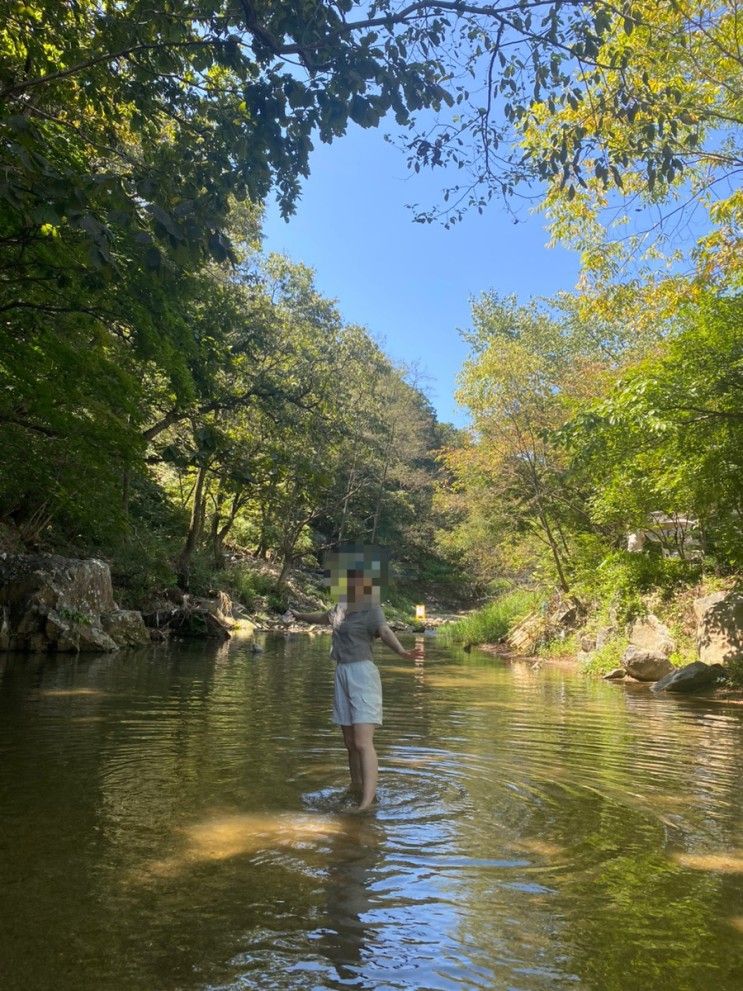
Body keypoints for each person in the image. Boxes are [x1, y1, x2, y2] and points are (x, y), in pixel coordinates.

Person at [285, 568, 422, 811]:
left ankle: (366, 804)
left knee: (362, 741)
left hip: (362, 674)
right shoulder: (340, 608)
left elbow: (385, 631)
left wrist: (401, 651)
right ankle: (356, 787)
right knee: (349, 742)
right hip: (342, 672)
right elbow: (322, 617)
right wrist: (298, 615)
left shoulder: (371, 608)